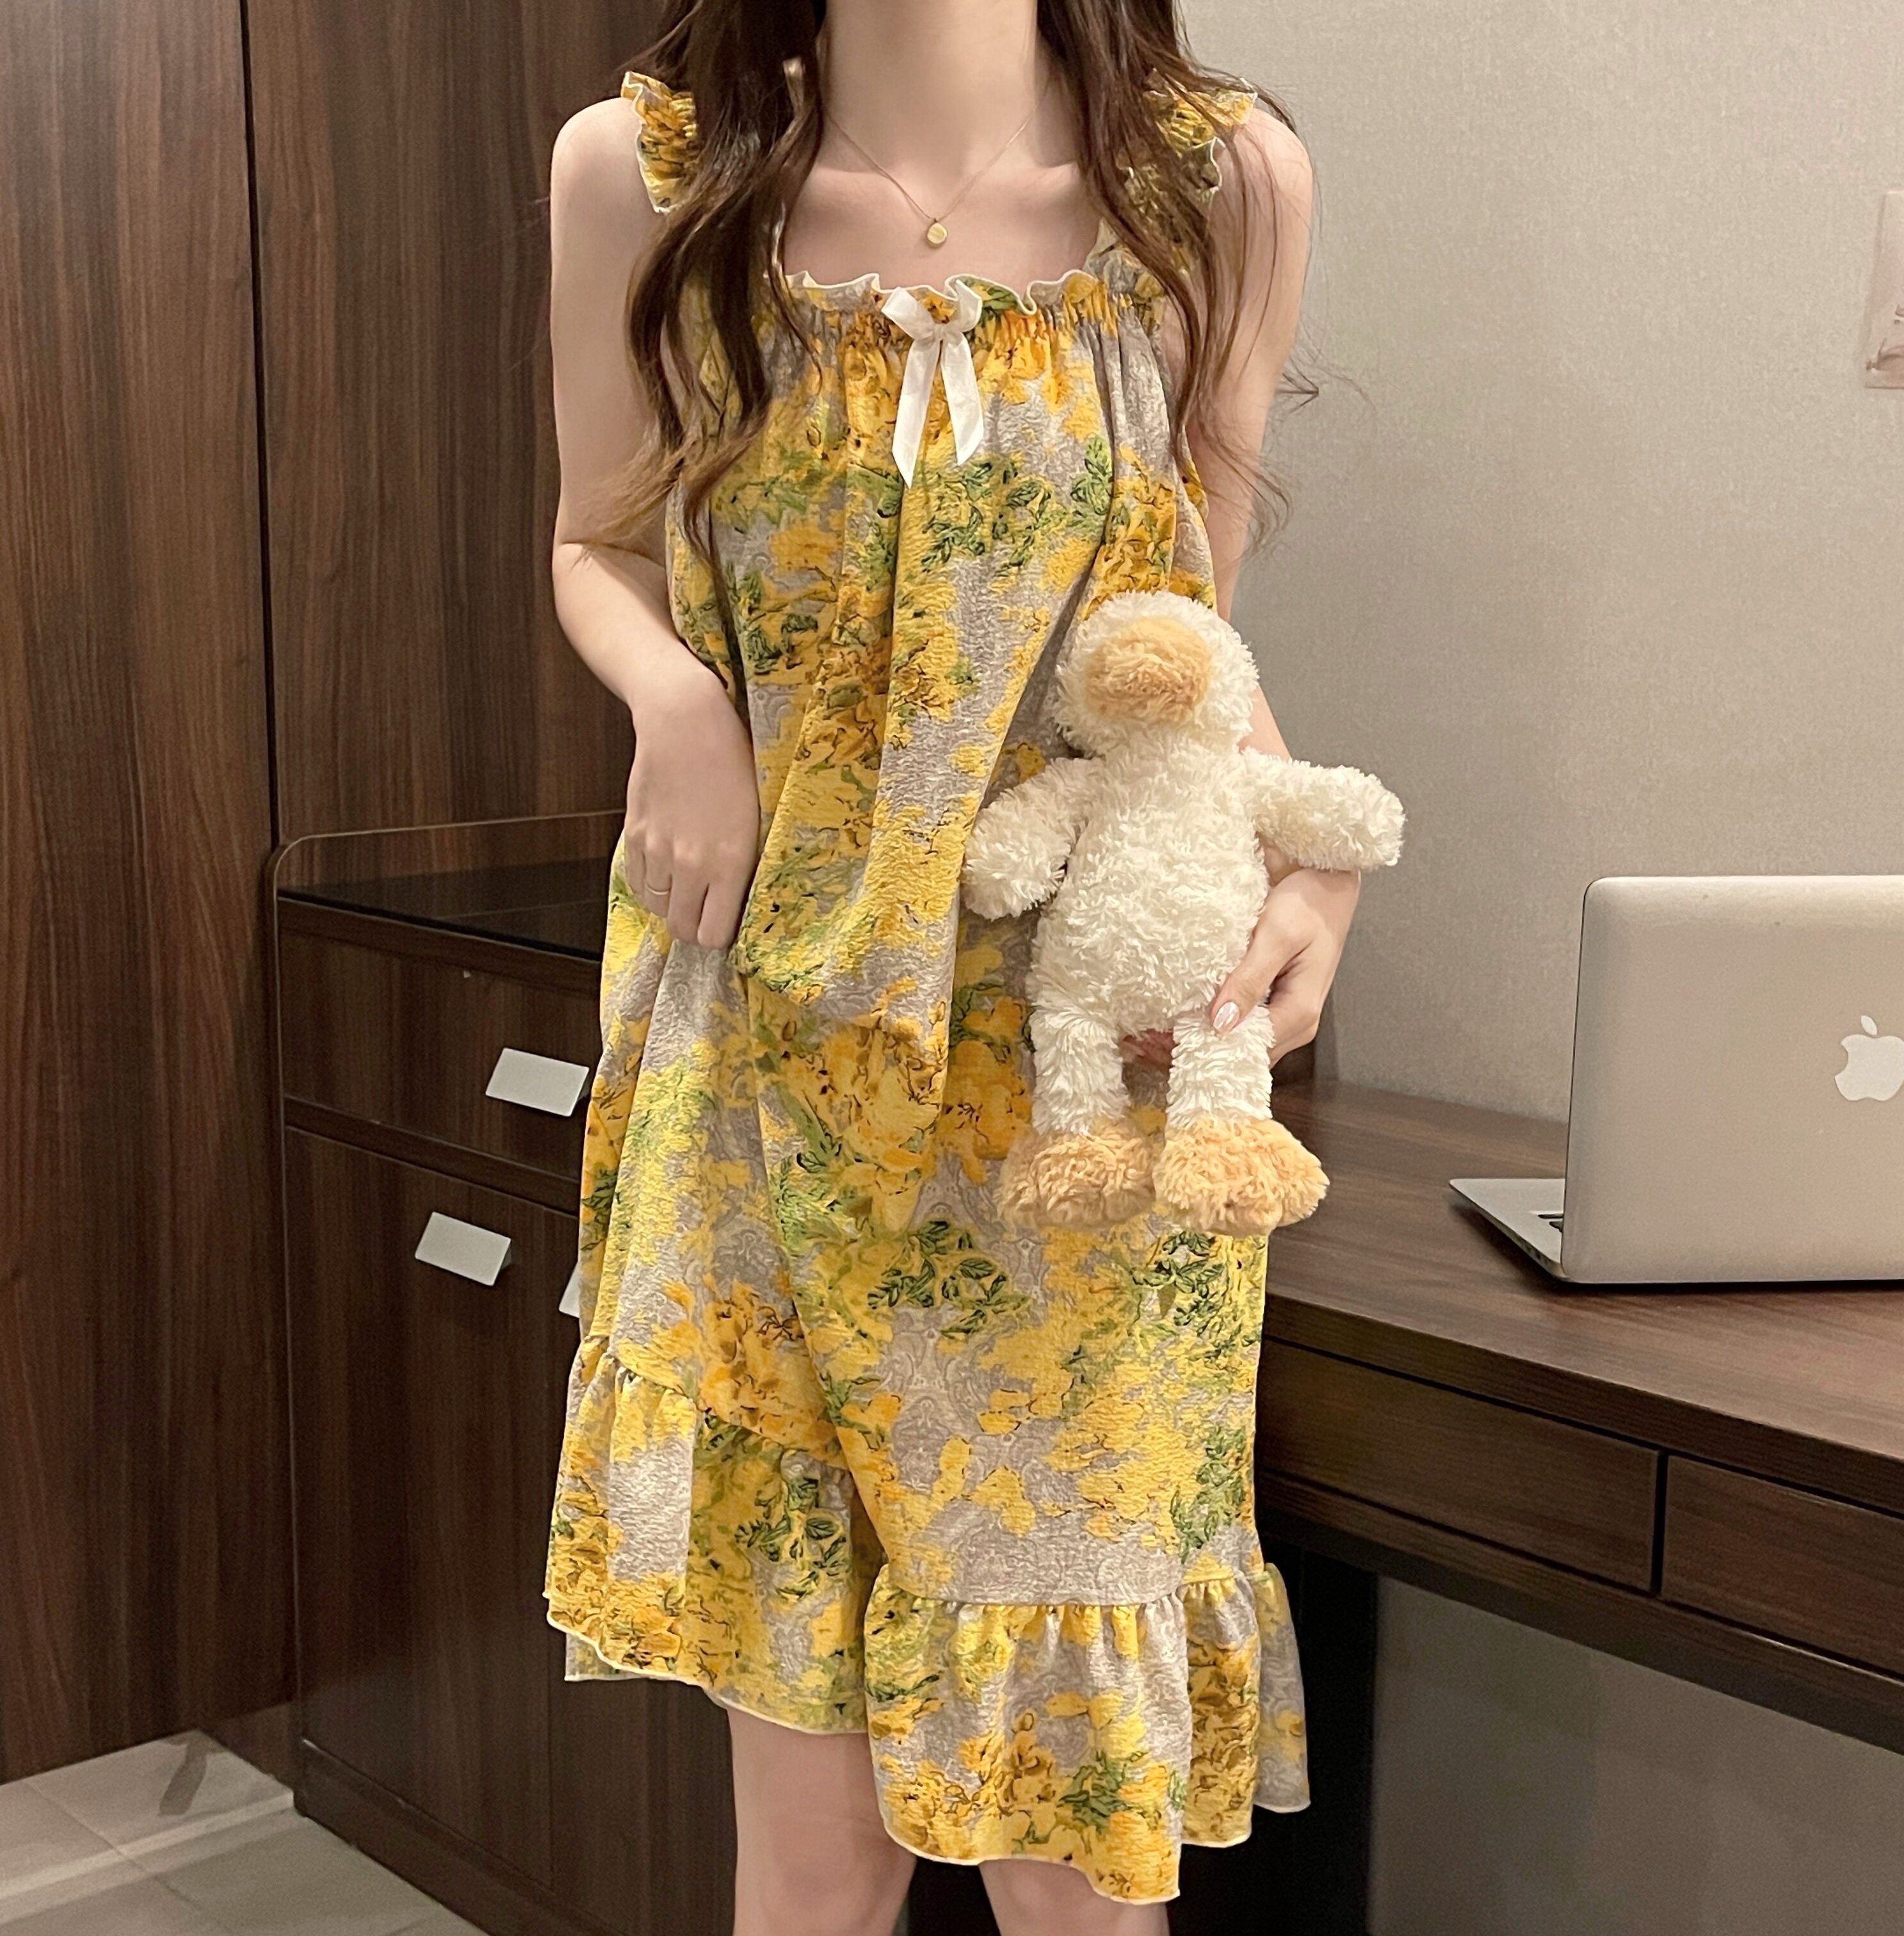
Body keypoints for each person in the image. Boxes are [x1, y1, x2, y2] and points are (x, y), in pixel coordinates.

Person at [543, 4, 1359, 1930]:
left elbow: (1181, 631)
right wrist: (677, 701)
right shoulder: (643, 173)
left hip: (1074, 1092)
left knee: (1070, 1838)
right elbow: (595, 540)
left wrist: (1309, 855)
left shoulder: (1219, 184)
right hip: (765, 1042)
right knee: (809, 1843)